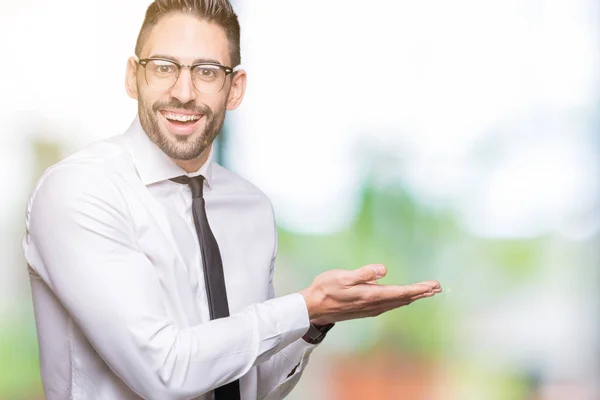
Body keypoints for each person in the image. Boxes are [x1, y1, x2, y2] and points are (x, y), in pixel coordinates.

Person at [22, 1, 442, 399]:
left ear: (235, 88)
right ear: (133, 77)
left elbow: (249, 386)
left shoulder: (252, 208)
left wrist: (314, 321)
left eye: (206, 72)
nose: (183, 92)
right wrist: (300, 307)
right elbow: (163, 371)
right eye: (164, 67)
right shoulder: (81, 189)